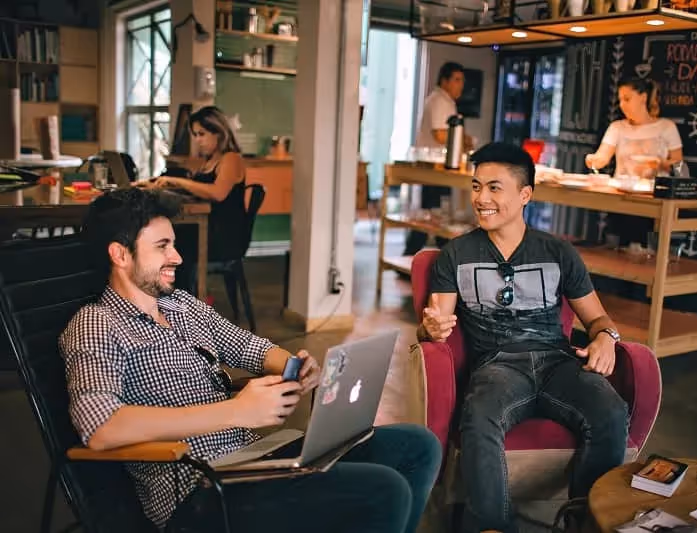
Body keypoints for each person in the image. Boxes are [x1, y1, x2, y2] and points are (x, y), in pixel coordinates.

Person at [59, 187, 442, 532]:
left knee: (417, 445)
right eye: (162, 246)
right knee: (383, 490)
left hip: (253, 462)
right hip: (199, 492)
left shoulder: (181, 306)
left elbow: (252, 348)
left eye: (173, 244)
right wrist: (237, 412)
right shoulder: (97, 323)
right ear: (119, 254)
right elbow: (101, 427)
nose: (176, 256)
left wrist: (294, 367)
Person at [417, 143, 629, 533]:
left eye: (494, 188)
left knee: (611, 412)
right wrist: (430, 329)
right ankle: (491, 527)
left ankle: (584, 523)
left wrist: (607, 338)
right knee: (479, 416)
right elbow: (436, 321)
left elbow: (598, 318)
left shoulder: (557, 251)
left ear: (525, 194)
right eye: (477, 186)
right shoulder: (456, 254)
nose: (481, 198)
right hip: (497, 366)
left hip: (558, 363)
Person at [142, 106, 249, 292]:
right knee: (165, 238)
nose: (198, 140)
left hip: (223, 235)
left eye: (202, 134)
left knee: (171, 242)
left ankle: (180, 302)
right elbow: (200, 190)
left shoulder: (231, 159)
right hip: (208, 227)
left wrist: (177, 181)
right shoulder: (210, 161)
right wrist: (160, 184)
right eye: (195, 134)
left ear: (219, 133)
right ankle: (169, 298)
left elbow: (217, 193)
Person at [404, 61, 474, 257]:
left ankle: (440, 259)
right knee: (433, 217)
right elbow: (440, 135)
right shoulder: (439, 101)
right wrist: (463, 139)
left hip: (439, 169)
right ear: (444, 81)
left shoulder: (444, 101)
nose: (461, 85)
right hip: (434, 169)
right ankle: (413, 257)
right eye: (457, 80)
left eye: (462, 81)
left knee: (436, 216)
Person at [585, 78, 683, 178]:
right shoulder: (616, 127)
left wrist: (661, 164)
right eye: (620, 100)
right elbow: (602, 157)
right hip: (620, 189)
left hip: (656, 190)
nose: (622, 105)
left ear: (643, 98)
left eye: (627, 99)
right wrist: (593, 160)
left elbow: (680, 167)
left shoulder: (666, 127)